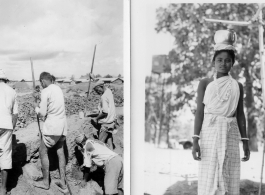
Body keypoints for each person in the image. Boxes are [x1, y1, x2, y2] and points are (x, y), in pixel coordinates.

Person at [192, 29, 250, 195]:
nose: (223, 63)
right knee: (210, 174)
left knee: (228, 173)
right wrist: (195, 140)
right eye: (219, 60)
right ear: (213, 61)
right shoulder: (205, 83)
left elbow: (240, 114)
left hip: (230, 132)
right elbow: (199, 113)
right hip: (210, 132)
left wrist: (245, 141)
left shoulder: (237, 86)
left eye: (227, 60)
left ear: (232, 63)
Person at [33, 72, 68, 192]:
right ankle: (63, 182)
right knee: (60, 152)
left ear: (43, 81)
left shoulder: (46, 90)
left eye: (41, 83)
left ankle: (45, 182)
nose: (41, 85)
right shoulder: (58, 88)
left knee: (43, 151)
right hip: (62, 126)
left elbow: (42, 113)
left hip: (52, 126)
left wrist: (36, 107)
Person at [87, 74, 117, 150]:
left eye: (97, 90)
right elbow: (99, 83)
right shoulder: (108, 91)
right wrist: (94, 79)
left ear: (101, 86)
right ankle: (112, 155)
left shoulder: (104, 97)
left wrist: (96, 118)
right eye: (96, 91)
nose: (97, 92)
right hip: (111, 122)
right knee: (109, 140)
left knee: (100, 145)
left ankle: (104, 160)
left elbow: (105, 112)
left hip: (106, 123)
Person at [0, 69, 18, 195]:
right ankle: (3, 189)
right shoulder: (12, 91)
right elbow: (15, 114)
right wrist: (11, 128)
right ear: (5, 80)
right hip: (6, 125)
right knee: (5, 155)